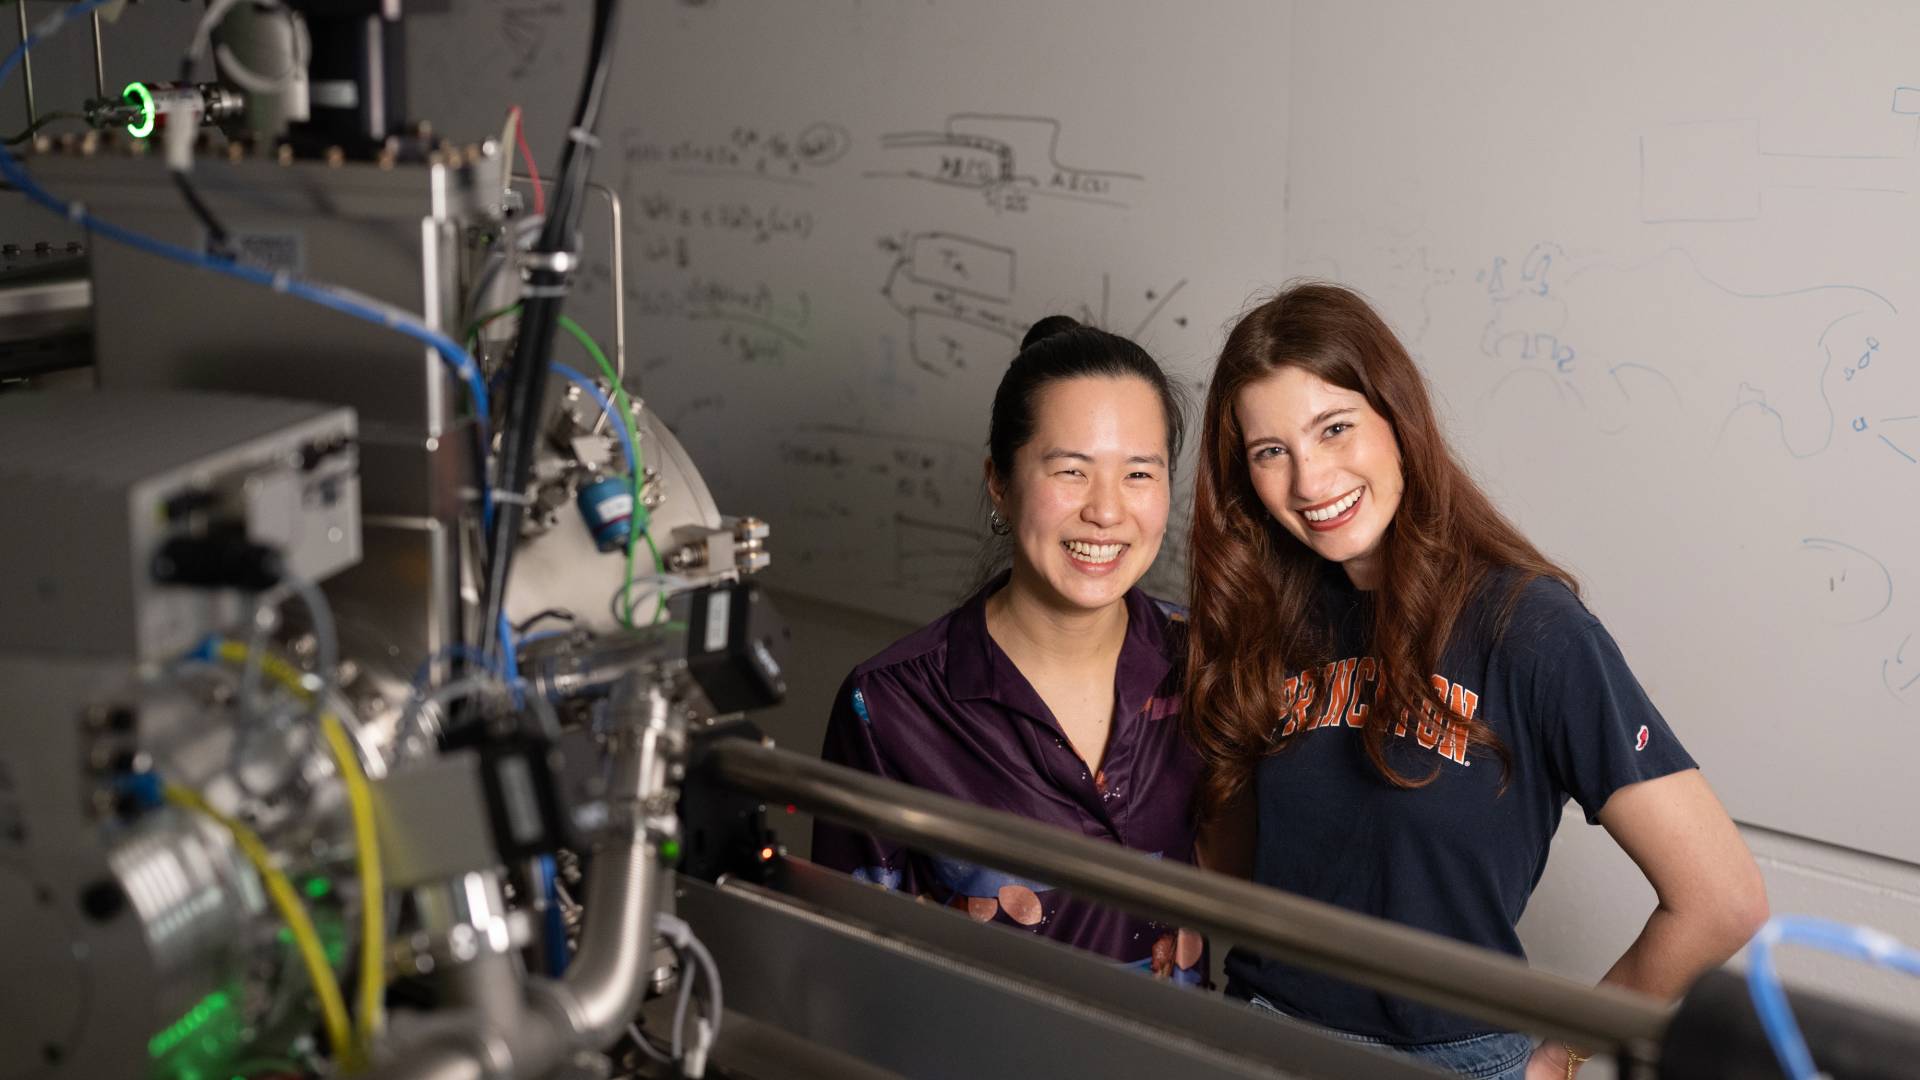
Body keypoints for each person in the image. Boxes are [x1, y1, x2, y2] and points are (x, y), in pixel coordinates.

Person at [1183, 283, 1769, 1076]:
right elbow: (1239, 864)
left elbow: (1722, 899)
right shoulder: (1268, 618)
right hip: (1255, 1036)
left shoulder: (1530, 628)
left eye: (1335, 428)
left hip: (1445, 1060)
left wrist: (1557, 1059)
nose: (1311, 480)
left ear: (1399, 422)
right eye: (1270, 452)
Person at [812, 315, 1206, 983]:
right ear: (1000, 480)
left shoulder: (1205, 662)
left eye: (1139, 474)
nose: (1107, 512)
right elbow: (853, 964)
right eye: (1071, 472)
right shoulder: (891, 704)